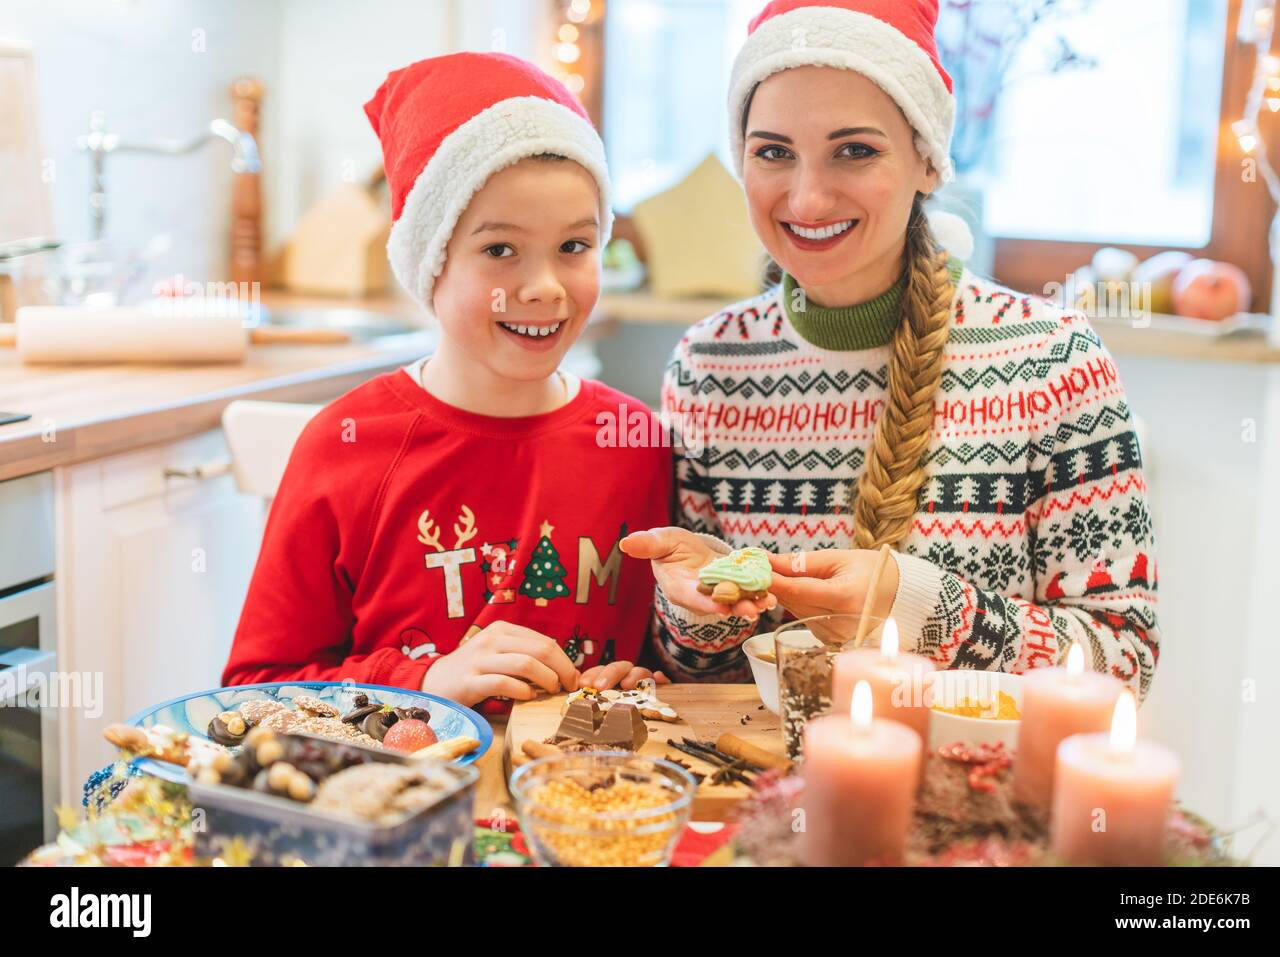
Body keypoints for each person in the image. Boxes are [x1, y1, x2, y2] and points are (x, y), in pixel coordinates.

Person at [622, 0, 1159, 700]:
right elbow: (696, 679)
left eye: (855, 150)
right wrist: (701, 611)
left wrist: (917, 604)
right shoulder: (709, 366)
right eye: (773, 151)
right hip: (766, 795)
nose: (808, 197)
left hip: (973, 798)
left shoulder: (1056, 361)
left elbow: (1122, 666)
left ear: (928, 162)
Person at [224, 53, 671, 710]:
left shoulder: (637, 443)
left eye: (574, 246)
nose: (544, 286)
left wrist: (639, 681)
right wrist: (428, 682)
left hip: (581, 805)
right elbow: (253, 692)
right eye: (499, 250)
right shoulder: (343, 447)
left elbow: (661, 663)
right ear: (430, 264)